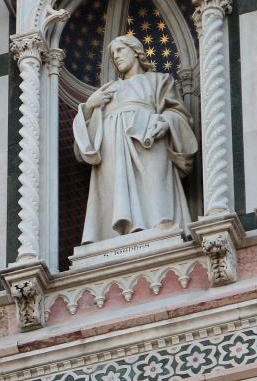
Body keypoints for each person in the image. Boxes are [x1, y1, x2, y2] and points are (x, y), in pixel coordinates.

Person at [73, 34, 198, 243]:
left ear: (136, 51)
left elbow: (179, 113)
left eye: (120, 50)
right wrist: (89, 107)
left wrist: (166, 122)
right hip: (113, 148)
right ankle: (118, 234)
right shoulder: (107, 90)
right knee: (117, 192)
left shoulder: (159, 80)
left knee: (155, 185)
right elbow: (84, 142)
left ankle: (160, 225)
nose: (116, 57)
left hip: (149, 141)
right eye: (113, 54)